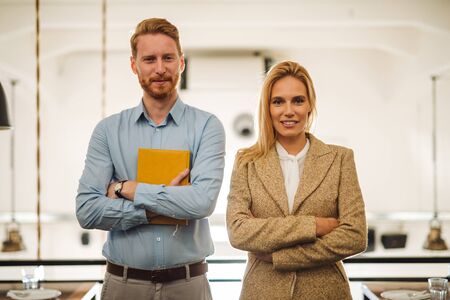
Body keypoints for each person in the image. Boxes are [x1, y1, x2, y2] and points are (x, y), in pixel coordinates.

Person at [76, 18, 225, 300]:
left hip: (189, 285)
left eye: (168, 58)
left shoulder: (207, 126)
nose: (160, 68)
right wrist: (154, 211)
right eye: (149, 59)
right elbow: (86, 210)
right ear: (135, 65)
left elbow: (202, 202)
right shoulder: (108, 131)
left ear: (181, 63)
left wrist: (128, 189)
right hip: (123, 284)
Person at [226, 61, 367, 299]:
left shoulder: (340, 158)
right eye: (278, 101)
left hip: (326, 291)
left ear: (310, 105)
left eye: (298, 100)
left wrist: (280, 256)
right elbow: (239, 232)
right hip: (262, 291)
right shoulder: (246, 161)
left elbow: (355, 236)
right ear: (267, 107)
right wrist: (315, 225)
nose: (288, 111)